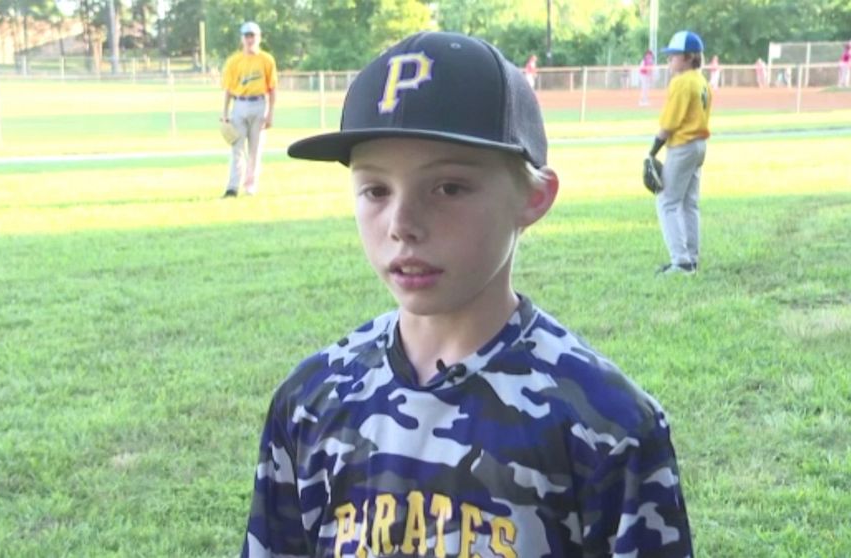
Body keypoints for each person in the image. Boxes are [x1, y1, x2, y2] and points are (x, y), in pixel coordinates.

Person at [242, 31, 693, 557]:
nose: (402, 224)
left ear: (534, 197)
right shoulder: (310, 403)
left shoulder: (607, 425)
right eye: (376, 190)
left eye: (448, 187)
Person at [649, 30, 712, 276]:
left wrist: (652, 151)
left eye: (673, 56)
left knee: (667, 201)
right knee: (689, 203)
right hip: (699, 146)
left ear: (687, 57)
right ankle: (691, 259)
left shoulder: (682, 82)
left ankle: (681, 262)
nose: (669, 60)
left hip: (683, 146)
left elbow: (670, 122)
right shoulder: (701, 80)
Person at [220, 21, 278, 197]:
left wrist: (270, 114)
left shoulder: (266, 60)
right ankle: (232, 187)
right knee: (236, 147)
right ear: (242, 39)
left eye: (252, 35)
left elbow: (272, 88)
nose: (250, 39)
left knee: (255, 149)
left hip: (259, 104)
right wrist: (224, 113)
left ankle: (250, 186)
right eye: (246, 36)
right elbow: (228, 90)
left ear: (258, 38)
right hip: (239, 104)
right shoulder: (234, 61)